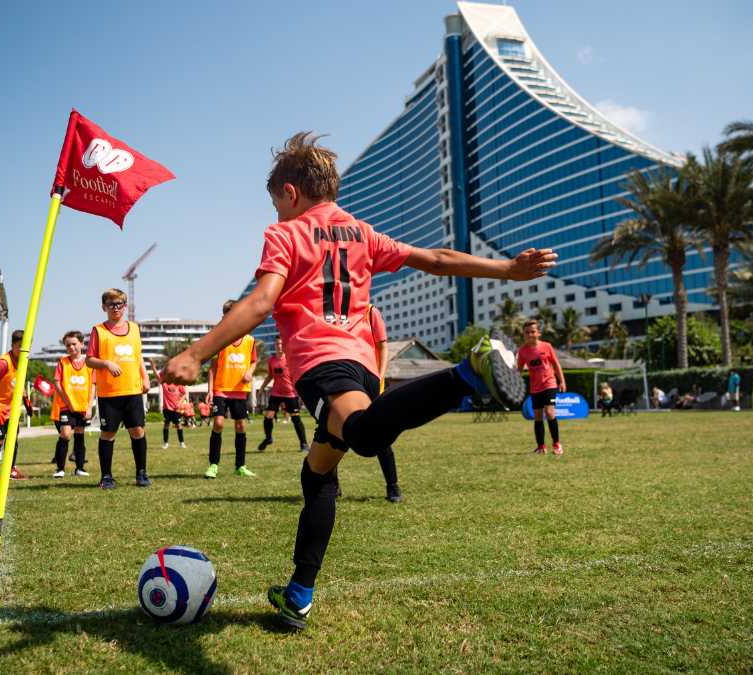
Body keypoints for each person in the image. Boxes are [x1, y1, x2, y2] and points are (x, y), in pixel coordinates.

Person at [161, 132, 553, 630]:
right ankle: (298, 594)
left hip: (325, 364)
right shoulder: (361, 231)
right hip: (362, 365)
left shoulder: (286, 234)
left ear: (289, 192)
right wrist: (506, 269)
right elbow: (435, 259)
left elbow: (260, 302)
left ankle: (465, 374)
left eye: (277, 203)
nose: (277, 212)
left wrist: (196, 353)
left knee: (365, 437)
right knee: (317, 471)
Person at [85, 288, 152, 488]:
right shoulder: (98, 330)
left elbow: (138, 355)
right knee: (108, 433)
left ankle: (141, 473)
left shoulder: (134, 328)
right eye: (111, 305)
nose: (116, 308)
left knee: (138, 431)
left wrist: (145, 376)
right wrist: (106, 364)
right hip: (109, 393)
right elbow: (89, 360)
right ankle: (106, 477)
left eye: (119, 304)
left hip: (132, 390)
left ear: (125, 306)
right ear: (104, 307)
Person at [204, 299, 258, 479]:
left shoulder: (250, 340)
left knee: (241, 425)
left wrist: (250, 372)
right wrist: (210, 390)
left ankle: (240, 466)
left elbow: (254, 361)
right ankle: (213, 465)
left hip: (240, 390)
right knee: (218, 423)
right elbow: (212, 368)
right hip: (221, 388)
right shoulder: (219, 340)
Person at [367, 304, 403, 502]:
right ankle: (333, 486)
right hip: (345, 381)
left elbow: (382, 345)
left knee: (381, 437)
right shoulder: (333, 313)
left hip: (371, 383)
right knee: (335, 433)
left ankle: (392, 485)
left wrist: (379, 377)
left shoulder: (370, 311)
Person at [517, 319, 566, 454]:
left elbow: (556, 365)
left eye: (533, 332)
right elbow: (519, 370)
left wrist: (562, 381)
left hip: (549, 383)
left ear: (538, 333)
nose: (530, 334)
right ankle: (541, 447)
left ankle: (557, 444)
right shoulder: (522, 351)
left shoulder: (547, 346)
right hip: (535, 387)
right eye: (527, 332)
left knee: (550, 412)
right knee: (537, 416)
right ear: (524, 335)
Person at [0, 330, 33, 482]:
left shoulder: (23, 361)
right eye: (19, 346)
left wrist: (26, 401)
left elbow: (17, 383)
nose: (23, 350)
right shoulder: (3, 363)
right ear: (12, 345)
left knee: (13, 440)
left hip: (12, 410)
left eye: (26, 346)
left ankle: (11, 469)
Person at [51, 330, 93, 478]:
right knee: (66, 434)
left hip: (82, 407)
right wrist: (67, 402)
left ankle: (80, 468)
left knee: (80, 435)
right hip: (66, 406)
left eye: (74, 344)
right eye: (68, 345)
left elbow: (93, 385)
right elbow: (57, 383)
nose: (71, 347)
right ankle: (60, 469)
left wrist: (89, 407)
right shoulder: (62, 362)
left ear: (81, 343)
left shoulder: (89, 362)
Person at [258, 336, 310, 453]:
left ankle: (304, 444)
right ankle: (268, 438)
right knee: (268, 416)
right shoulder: (271, 360)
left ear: (284, 345)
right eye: (277, 344)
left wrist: (301, 390)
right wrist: (262, 387)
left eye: (281, 344)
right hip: (276, 392)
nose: (279, 346)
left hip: (290, 393)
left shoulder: (290, 359)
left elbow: (297, 374)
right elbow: (270, 376)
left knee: (296, 418)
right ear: (275, 345)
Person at [158, 368, 188, 449]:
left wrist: (179, 402)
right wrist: (153, 365)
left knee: (178, 425)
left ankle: (182, 443)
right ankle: (165, 443)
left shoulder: (178, 384)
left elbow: (184, 394)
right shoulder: (164, 384)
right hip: (166, 409)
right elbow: (158, 375)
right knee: (166, 425)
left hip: (176, 409)